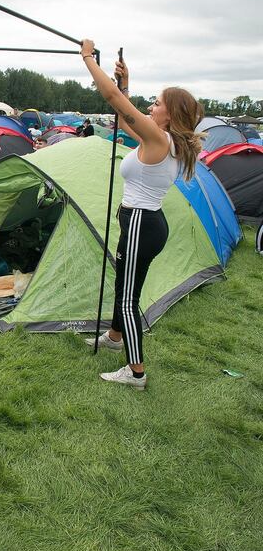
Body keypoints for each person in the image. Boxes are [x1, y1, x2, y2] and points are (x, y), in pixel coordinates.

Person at [80, 39, 204, 389]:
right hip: (148, 223)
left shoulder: (161, 141)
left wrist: (88, 58)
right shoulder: (165, 140)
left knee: (126, 296)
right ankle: (115, 336)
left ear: (170, 113)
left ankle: (136, 372)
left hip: (140, 223)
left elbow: (114, 102)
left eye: (158, 103)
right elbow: (124, 113)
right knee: (126, 282)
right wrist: (125, 82)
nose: (152, 106)